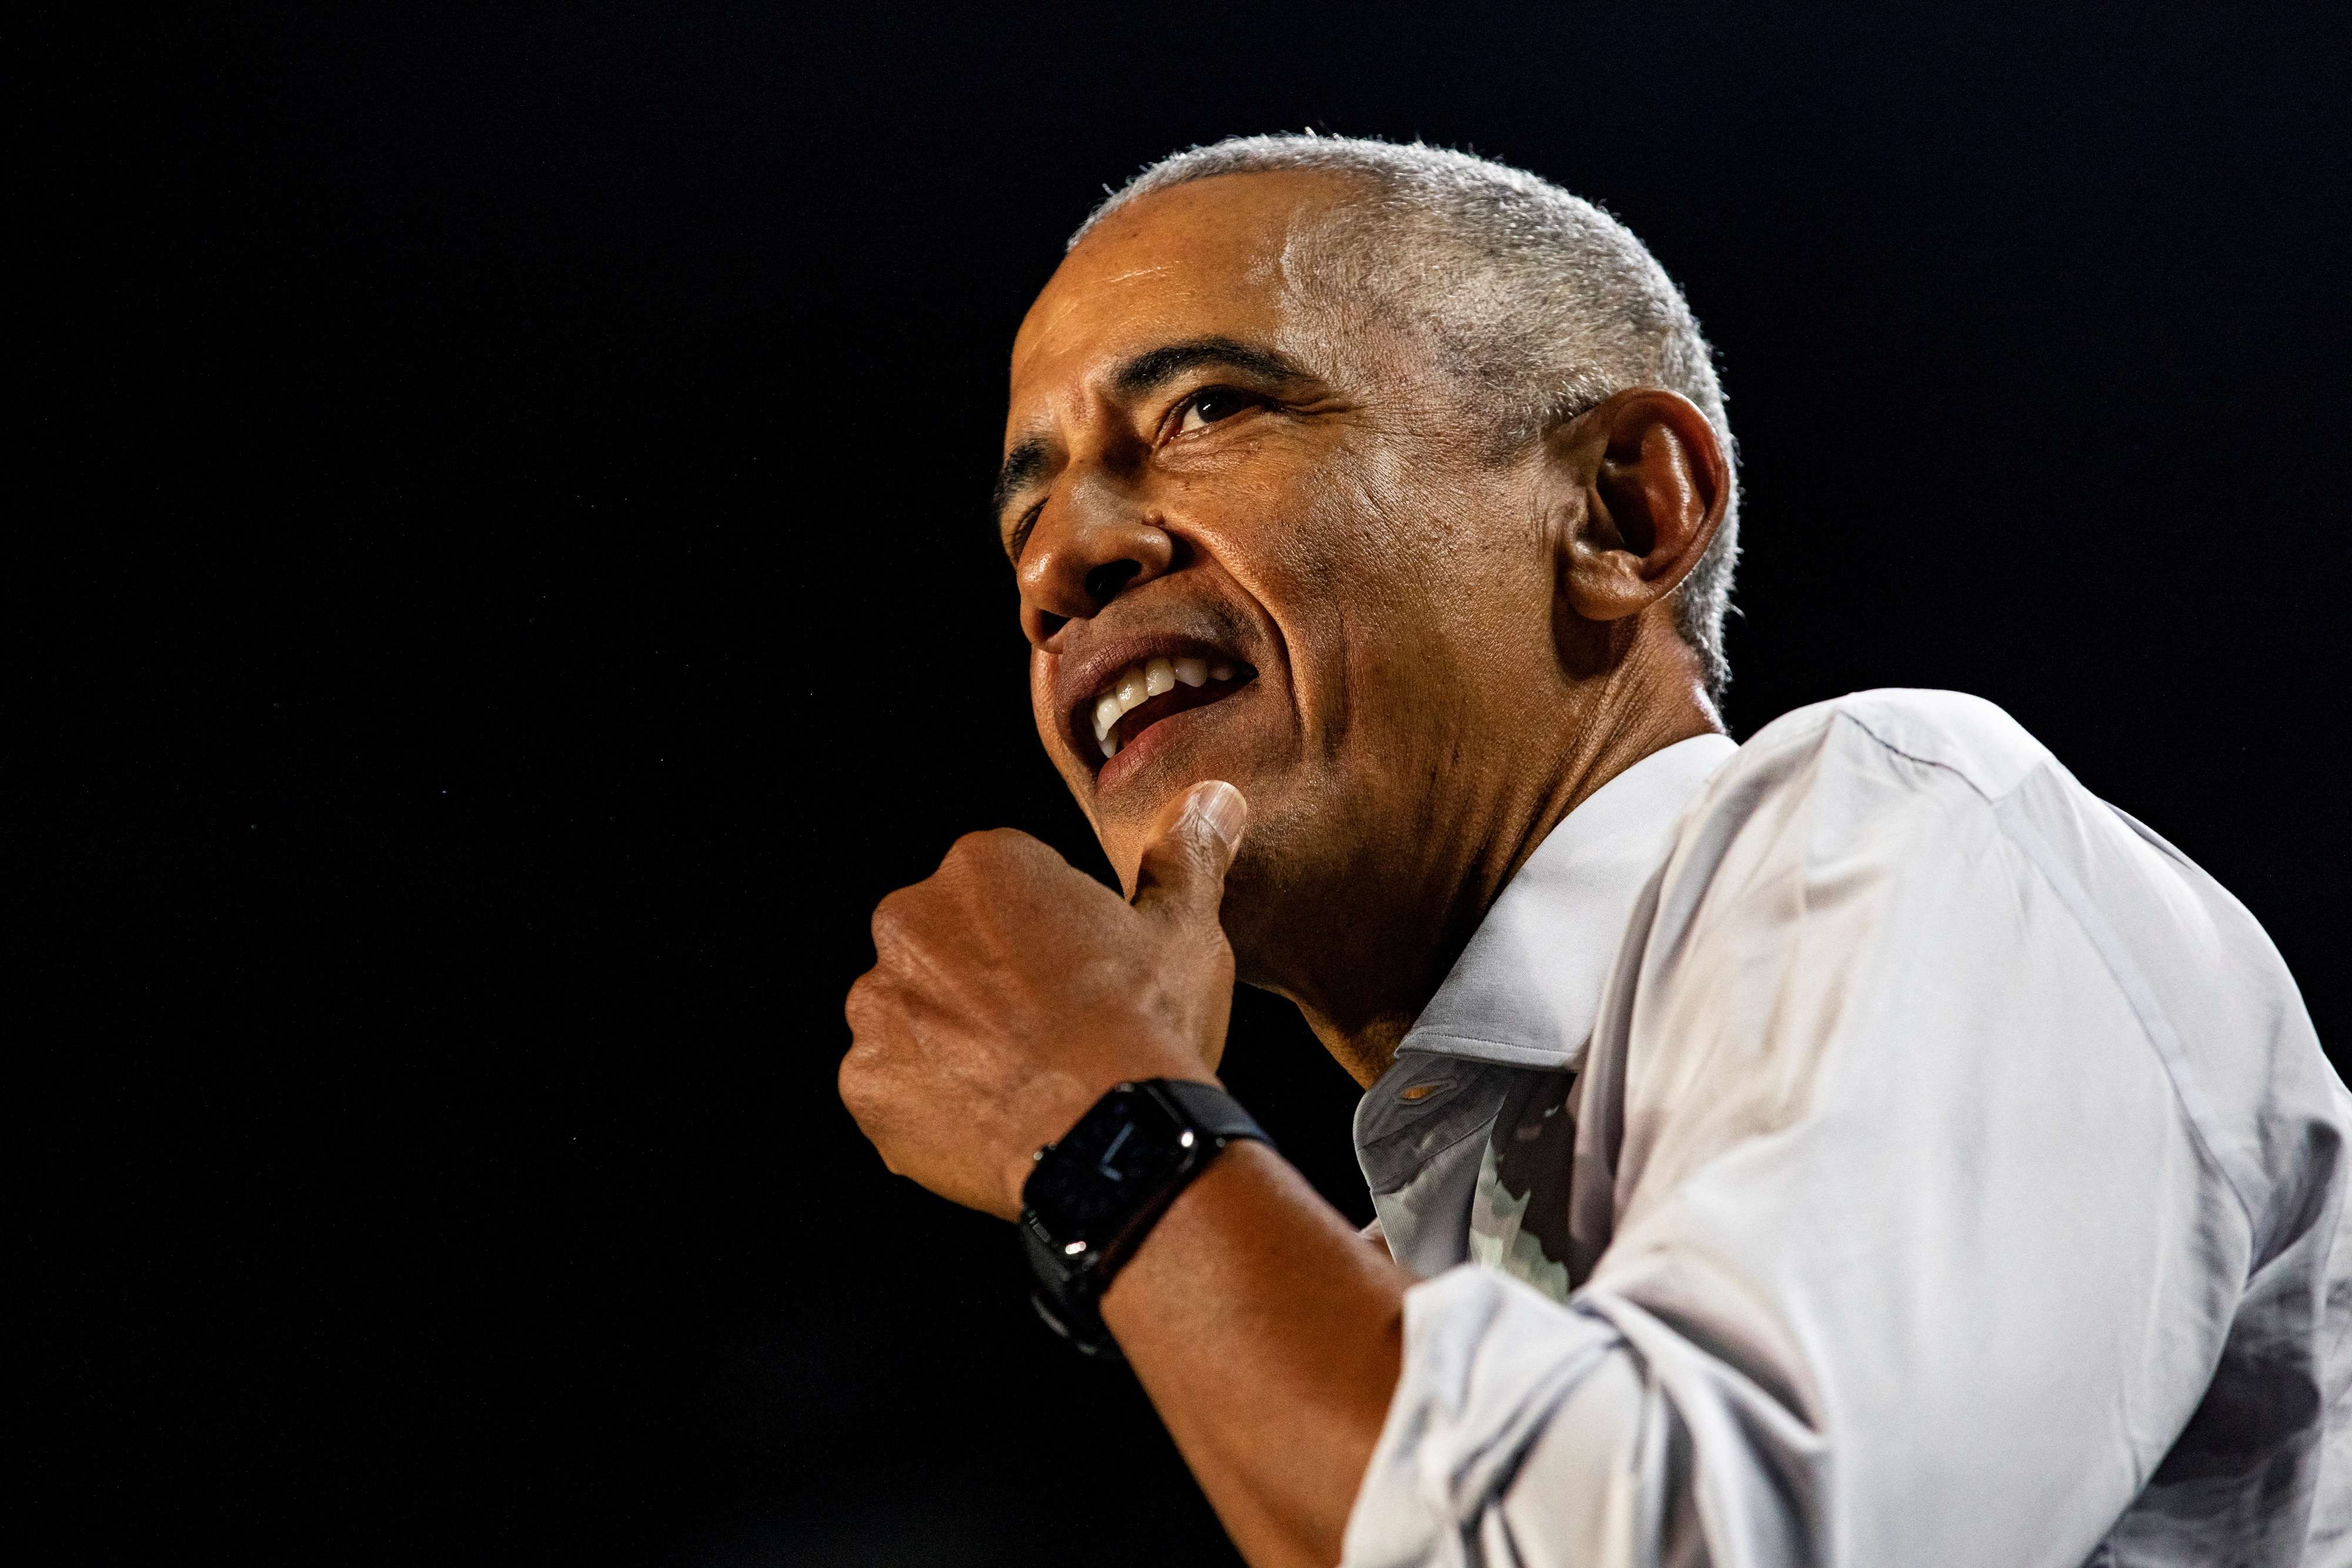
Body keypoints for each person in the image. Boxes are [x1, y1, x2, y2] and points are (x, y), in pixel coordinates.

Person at [836, 135, 2350, 1567]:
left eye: (1208, 411)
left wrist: (1097, 1114)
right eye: (1023, 516)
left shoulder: (1913, 820)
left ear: (1626, 507)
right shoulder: (1396, 1284)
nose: (1057, 564)